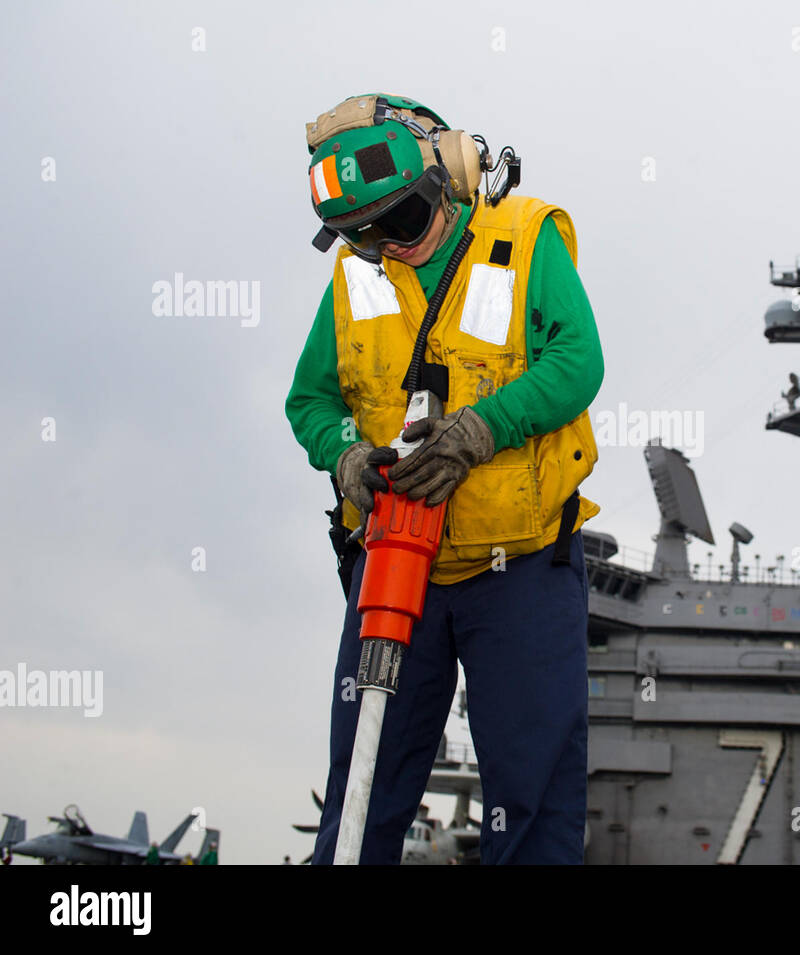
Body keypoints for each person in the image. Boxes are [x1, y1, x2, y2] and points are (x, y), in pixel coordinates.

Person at [286, 94, 602, 865]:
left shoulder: (525, 240)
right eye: (363, 236)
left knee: (532, 806)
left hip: (519, 572)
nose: (384, 247)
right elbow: (310, 399)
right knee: (361, 796)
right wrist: (346, 456)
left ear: (446, 176)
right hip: (394, 568)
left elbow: (577, 359)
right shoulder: (355, 277)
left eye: (398, 223)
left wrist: (480, 429)